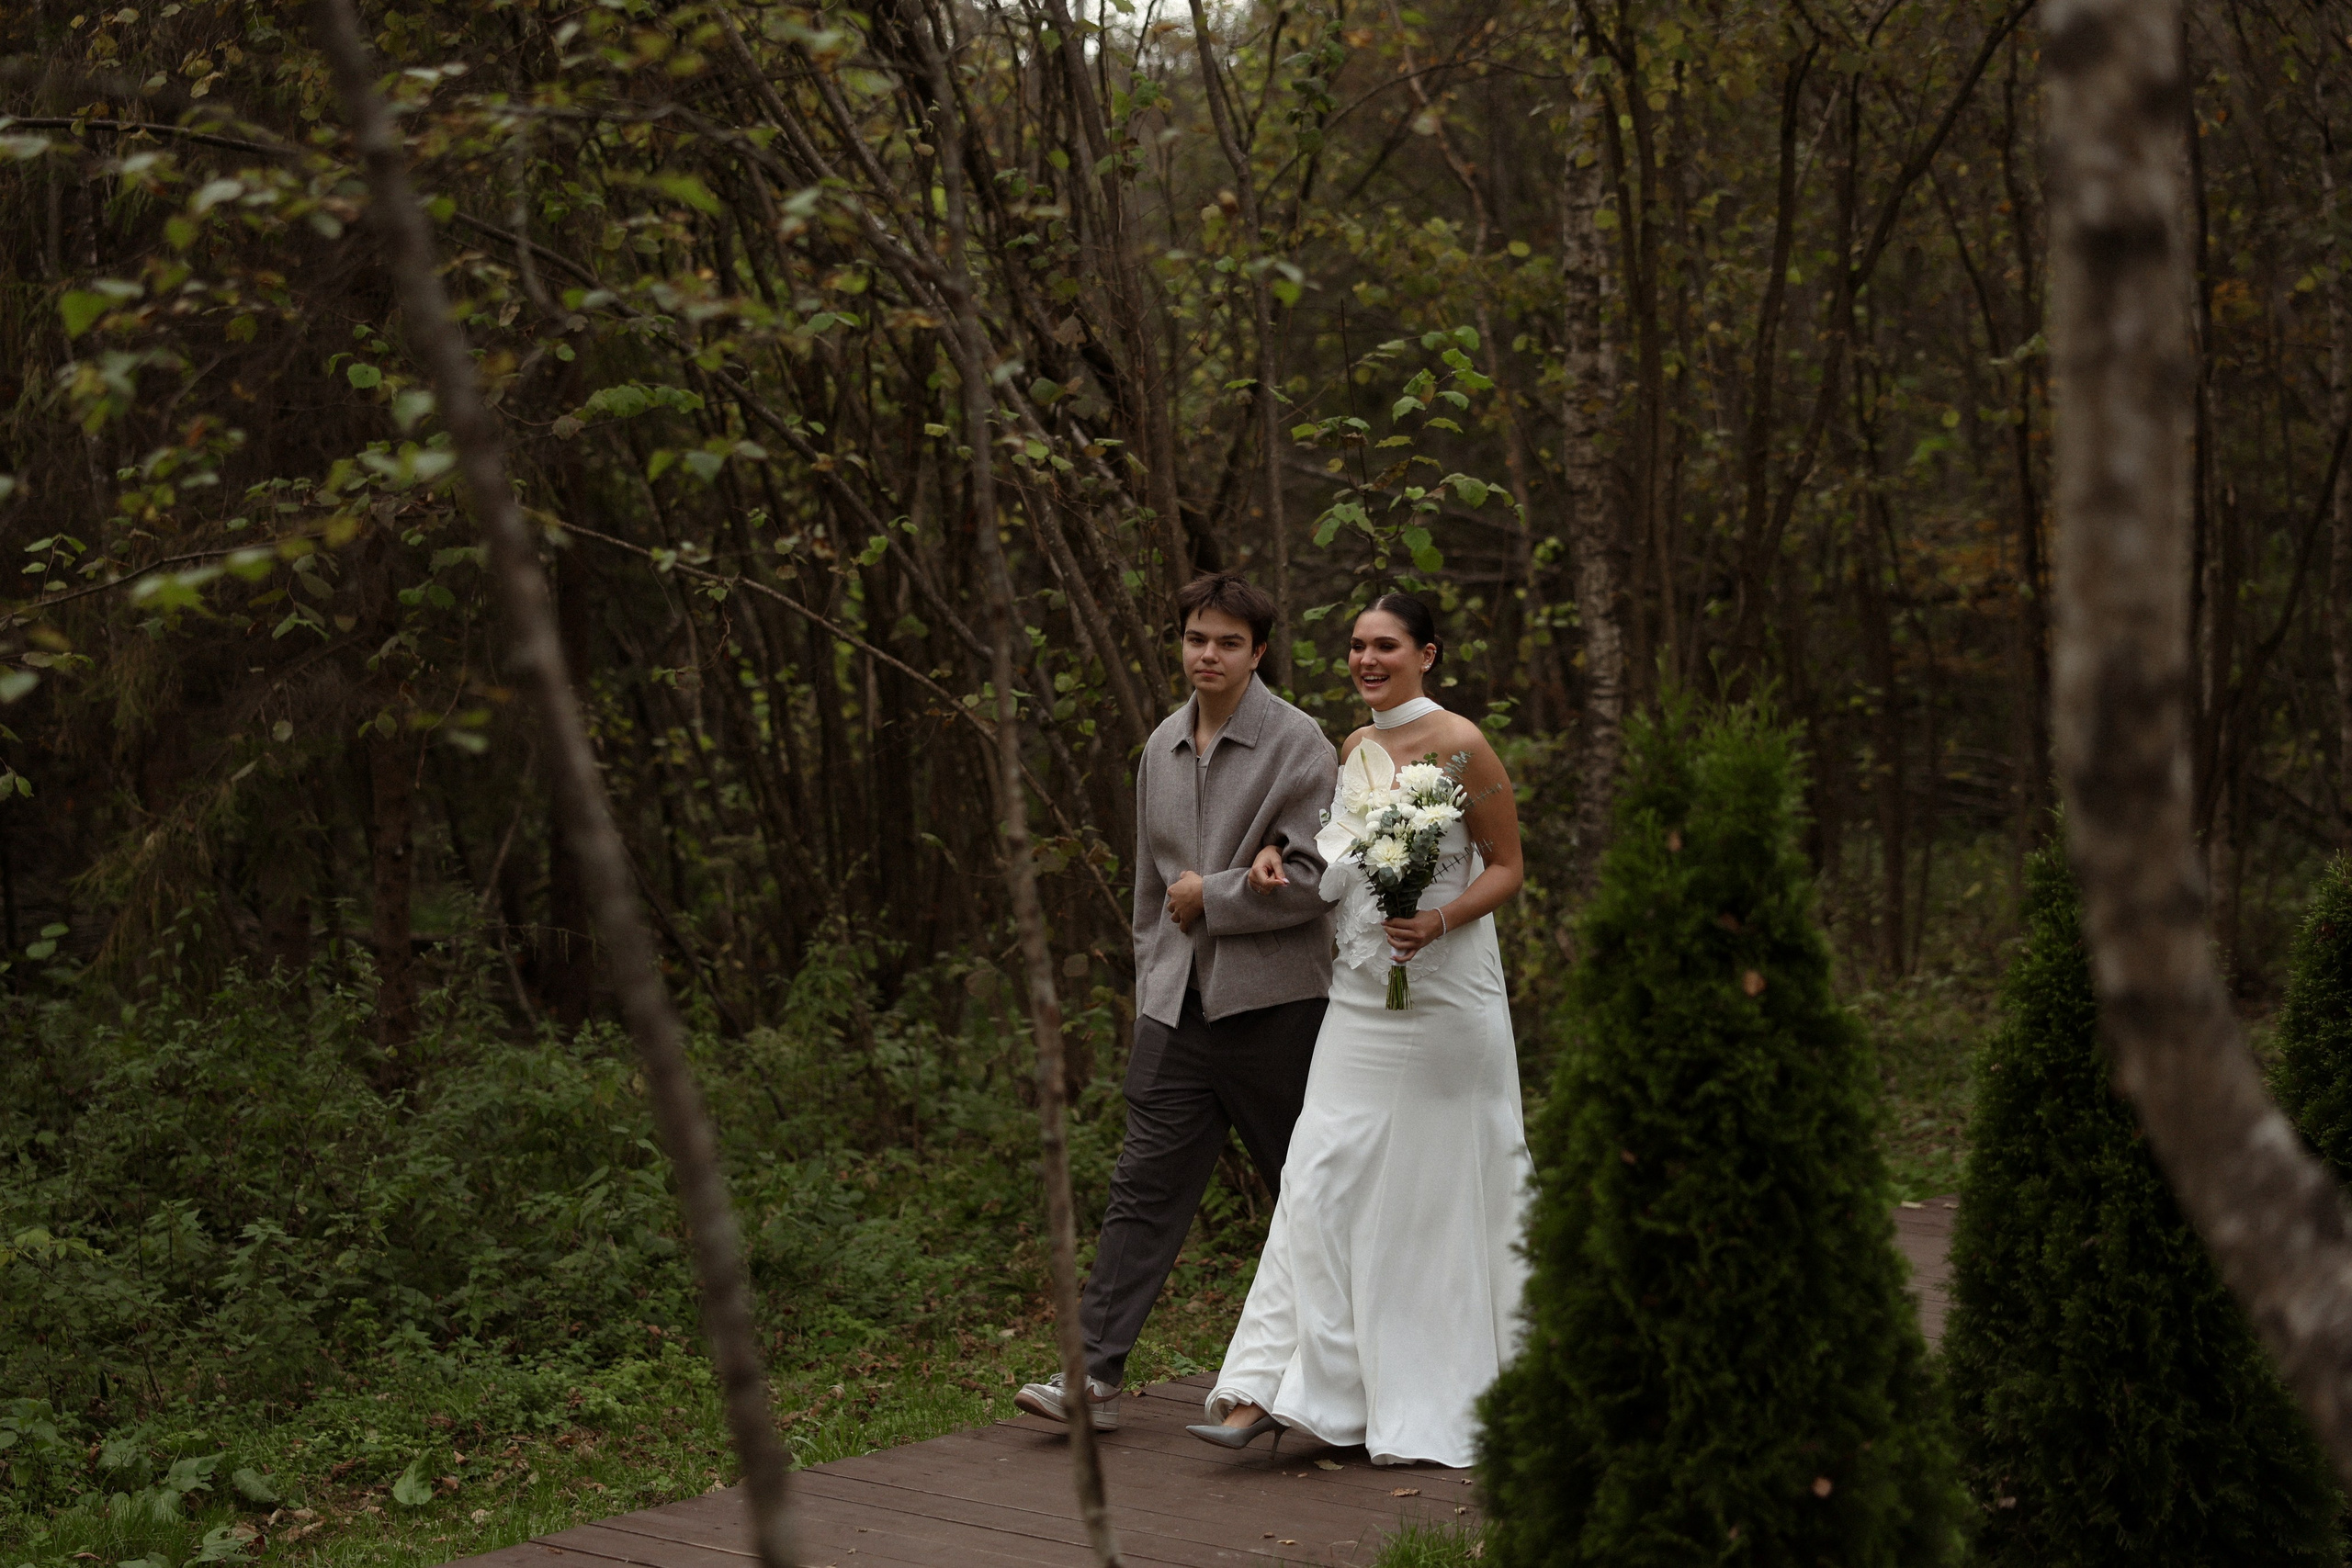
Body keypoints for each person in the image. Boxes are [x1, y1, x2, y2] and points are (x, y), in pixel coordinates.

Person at [1186, 592, 1532, 1468]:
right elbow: (1333, 856)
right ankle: (1273, 1387)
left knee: (1435, 1183)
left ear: (1427, 654)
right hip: (1361, 992)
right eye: (1354, 647)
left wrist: (1444, 918)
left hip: (1448, 996)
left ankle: (1435, 1379)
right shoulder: (1354, 747)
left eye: (1385, 646)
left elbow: (1509, 866)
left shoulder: (1462, 744)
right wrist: (1274, 859)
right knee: (1320, 1168)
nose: (1366, 660)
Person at [1014, 572, 1340, 1433]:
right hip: (1176, 1013)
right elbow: (1147, 896)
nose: (1209, 654)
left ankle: (1333, 1374)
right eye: (1198, 637)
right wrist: (1153, 979)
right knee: (1141, 1190)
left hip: (1277, 1010)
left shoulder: (1300, 745)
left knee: (1305, 1194)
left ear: (1258, 652)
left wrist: (1216, 897)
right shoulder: (1159, 747)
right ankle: (1089, 1375)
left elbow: (1318, 879)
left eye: (1229, 641)